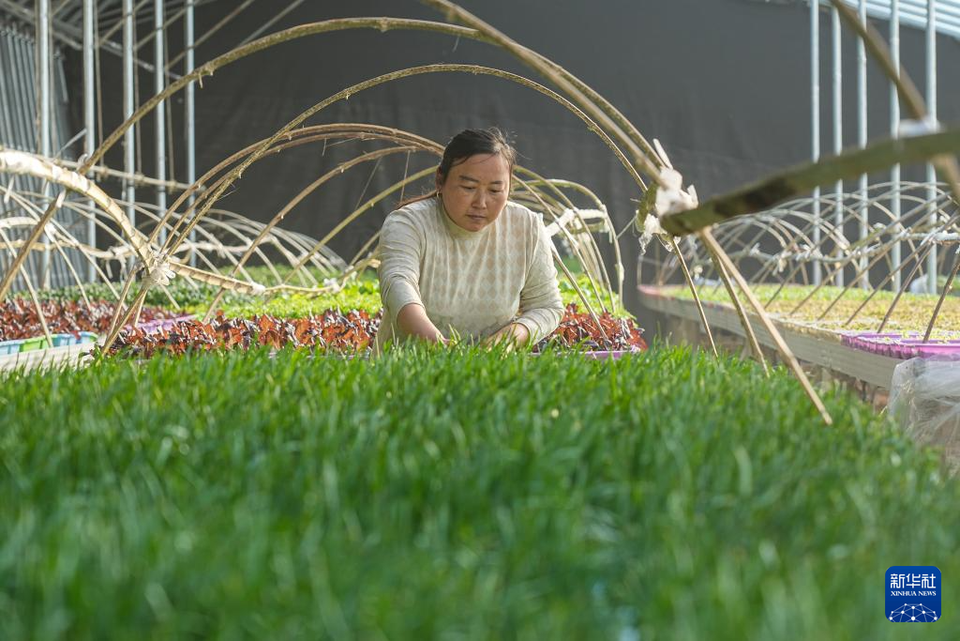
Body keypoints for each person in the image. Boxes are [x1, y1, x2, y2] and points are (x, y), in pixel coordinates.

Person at [375, 127, 564, 351]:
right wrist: (435, 345)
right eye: (468, 187)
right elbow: (398, 284)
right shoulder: (409, 224)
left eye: (495, 190)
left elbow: (547, 306)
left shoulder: (526, 227)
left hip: (489, 373)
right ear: (440, 180)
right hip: (404, 371)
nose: (481, 202)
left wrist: (506, 341)